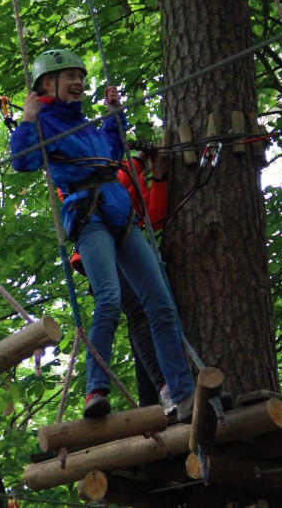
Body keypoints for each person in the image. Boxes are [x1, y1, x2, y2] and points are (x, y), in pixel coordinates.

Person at [9, 48, 195, 421]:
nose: (79, 83)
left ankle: (183, 392)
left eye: (81, 77)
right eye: (69, 77)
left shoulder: (86, 126)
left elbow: (111, 151)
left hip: (121, 216)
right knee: (109, 298)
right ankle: (96, 389)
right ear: (48, 84)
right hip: (89, 216)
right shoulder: (44, 125)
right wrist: (28, 119)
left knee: (161, 303)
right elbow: (23, 161)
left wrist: (114, 116)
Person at [69, 148, 173, 411]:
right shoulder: (99, 167)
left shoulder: (132, 174)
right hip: (100, 244)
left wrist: (159, 179)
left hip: (128, 243)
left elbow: (154, 217)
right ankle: (164, 387)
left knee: (148, 316)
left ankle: (151, 401)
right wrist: (136, 163)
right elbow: (112, 189)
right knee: (138, 311)